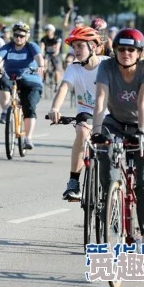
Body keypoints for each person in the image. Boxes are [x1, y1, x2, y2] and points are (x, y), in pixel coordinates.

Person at [91, 28, 144, 244]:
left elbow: (142, 102)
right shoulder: (106, 66)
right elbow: (101, 99)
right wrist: (96, 131)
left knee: (143, 183)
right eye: (121, 49)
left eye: (131, 49)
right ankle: (111, 211)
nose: (126, 53)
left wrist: (142, 132)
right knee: (107, 169)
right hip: (117, 123)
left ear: (139, 52)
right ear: (115, 51)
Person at [47, 27, 109, 200]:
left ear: (93, 47)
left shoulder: (107, 64)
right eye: (74, 47)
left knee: (111, 150)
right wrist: (55, 109)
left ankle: (114, 189)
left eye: (80, 46)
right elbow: (64, 88)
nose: (76, 50)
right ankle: (74, 182)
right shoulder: (73, 68)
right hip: (87, 112)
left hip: (110, 113)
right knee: (82, 132)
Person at [0, 21, 44, 149]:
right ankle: (5, 110)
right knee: (1, 82)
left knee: (29, 106)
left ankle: (28, 138)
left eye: (22, 36)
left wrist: (41, 66)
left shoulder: (31, 46)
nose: (19, 38)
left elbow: (39, 57)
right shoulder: (8, 47)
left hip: (30, 79)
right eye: (17, 35)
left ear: (27, 36)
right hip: (11, 76)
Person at [40, 24, 64, 90]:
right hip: (47, 54)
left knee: (57, 70)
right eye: (46, 30)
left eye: (49, 30)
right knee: (44, 66)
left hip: (55, 54)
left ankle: (56, 84)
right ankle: (43, 81)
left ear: (53, 31)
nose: (47, 32)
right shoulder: (44, 39)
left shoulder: (57, 38)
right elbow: (42, 47)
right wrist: (41, 55)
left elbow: (58, 48)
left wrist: (56, 52)